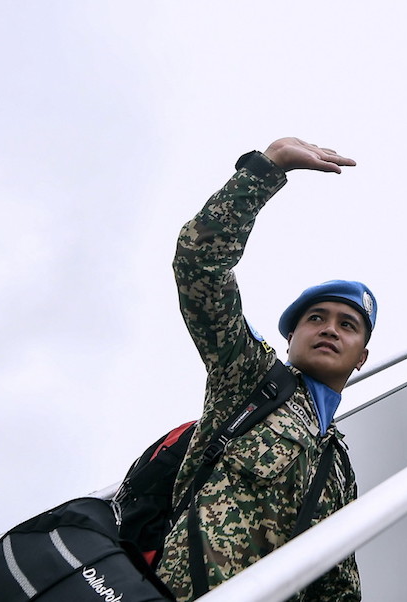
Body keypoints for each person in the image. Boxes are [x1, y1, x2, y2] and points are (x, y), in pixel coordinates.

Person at [157, 139, 375, 602]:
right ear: (290, 339)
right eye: (315, 319)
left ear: (362, 357)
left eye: (347, 325)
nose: (329, 330)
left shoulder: (338, 465)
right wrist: (268, 167)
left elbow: (336, 582)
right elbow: (201, 265)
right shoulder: (251, 378)